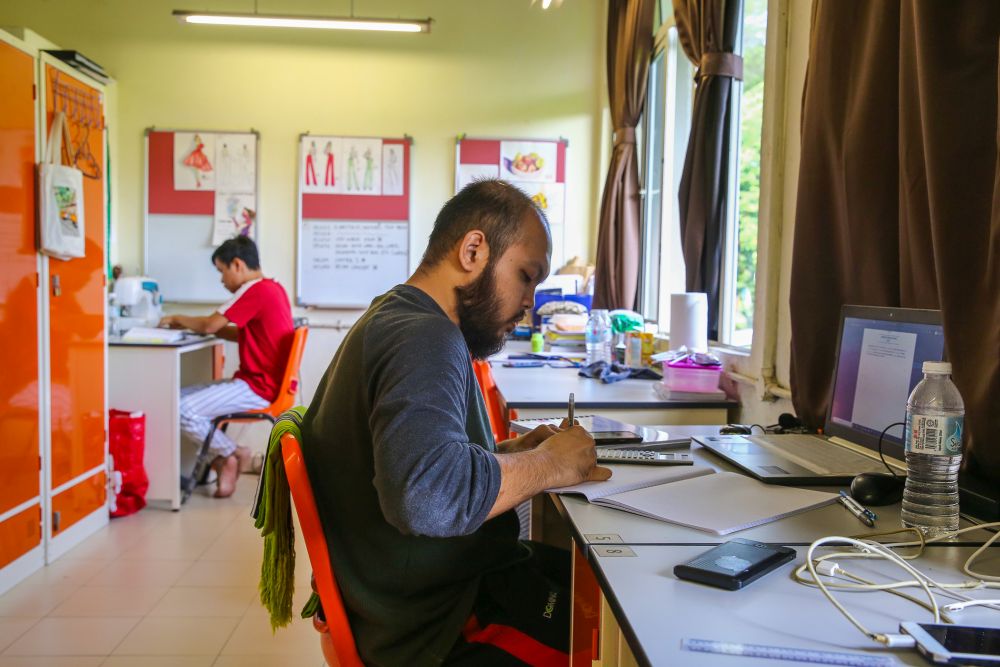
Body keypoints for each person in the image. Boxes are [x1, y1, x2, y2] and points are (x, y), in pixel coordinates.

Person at [301, 180, 611, 666]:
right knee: (620, 624)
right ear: (473, 250)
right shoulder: (426, 338)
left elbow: (405, 461)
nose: (530, 300)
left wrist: (515, 453)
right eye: (526, 276)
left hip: (408, 596)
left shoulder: (395, 314)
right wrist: (550, 465)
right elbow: (426, 498)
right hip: (437, 624)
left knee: (595, 574)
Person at [160, 237, 294, 498]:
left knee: (180, 407)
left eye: (222, 272)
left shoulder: (254, 289)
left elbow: (211, 324)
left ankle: (230, 453)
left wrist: (176, 317)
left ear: (237, 264)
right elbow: (240, 333)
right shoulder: (273, 288)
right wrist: (198, 327)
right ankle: (226, 456)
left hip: (258, 386)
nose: (222, 281)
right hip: (263, 382)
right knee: (174, 399)